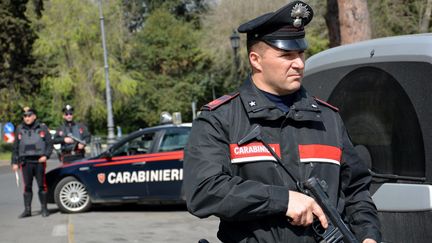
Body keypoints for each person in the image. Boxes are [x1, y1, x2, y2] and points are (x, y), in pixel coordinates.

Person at [184, 1, 381, 243]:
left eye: (300, 53)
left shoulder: (328, 118)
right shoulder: (220, 119)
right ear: (256, 60)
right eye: (286, 55)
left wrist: (368, 235)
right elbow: (203, 191)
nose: (298, 63)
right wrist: (284, 200)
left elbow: (357, 191)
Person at [11, 107, 53, 218]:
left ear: (34, 116)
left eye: (29, 115)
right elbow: (15, 147)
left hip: (39, 161)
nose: (27, 118)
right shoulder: (19, 129)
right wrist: (14, 162)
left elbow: (49, 144)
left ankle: (44, 209)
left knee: (42, 186)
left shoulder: (42, 128)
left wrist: (46, 156)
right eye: (25, 116)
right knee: (27, 187)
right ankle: (27, 210)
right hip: (25, 163)